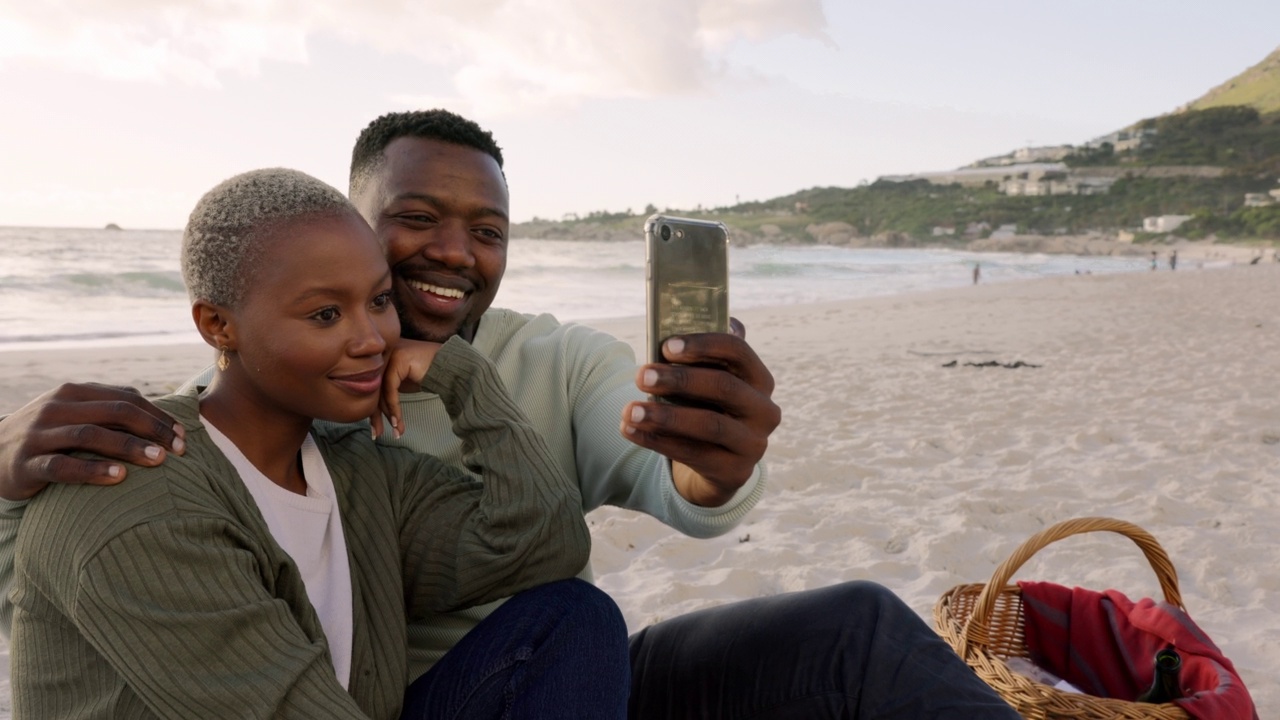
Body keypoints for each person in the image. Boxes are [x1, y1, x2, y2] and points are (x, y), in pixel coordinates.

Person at [0, 110, 1018, 718]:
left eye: (484, 229)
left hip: (553, 681)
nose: (452, 251)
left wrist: (716, 454)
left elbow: (661, 494)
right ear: (344, 227)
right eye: (413, 220)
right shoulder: (241, 408)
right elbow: (71, 564)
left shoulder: (542, 367)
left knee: (848, 630)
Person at [8, 168, 629, 719]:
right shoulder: (136, 495)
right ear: (217, 324)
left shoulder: (355, 469)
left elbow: (546, 542)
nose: (372, 340)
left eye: (379, 301)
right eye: (325, 314)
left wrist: (461, 375)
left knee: (571, 618)